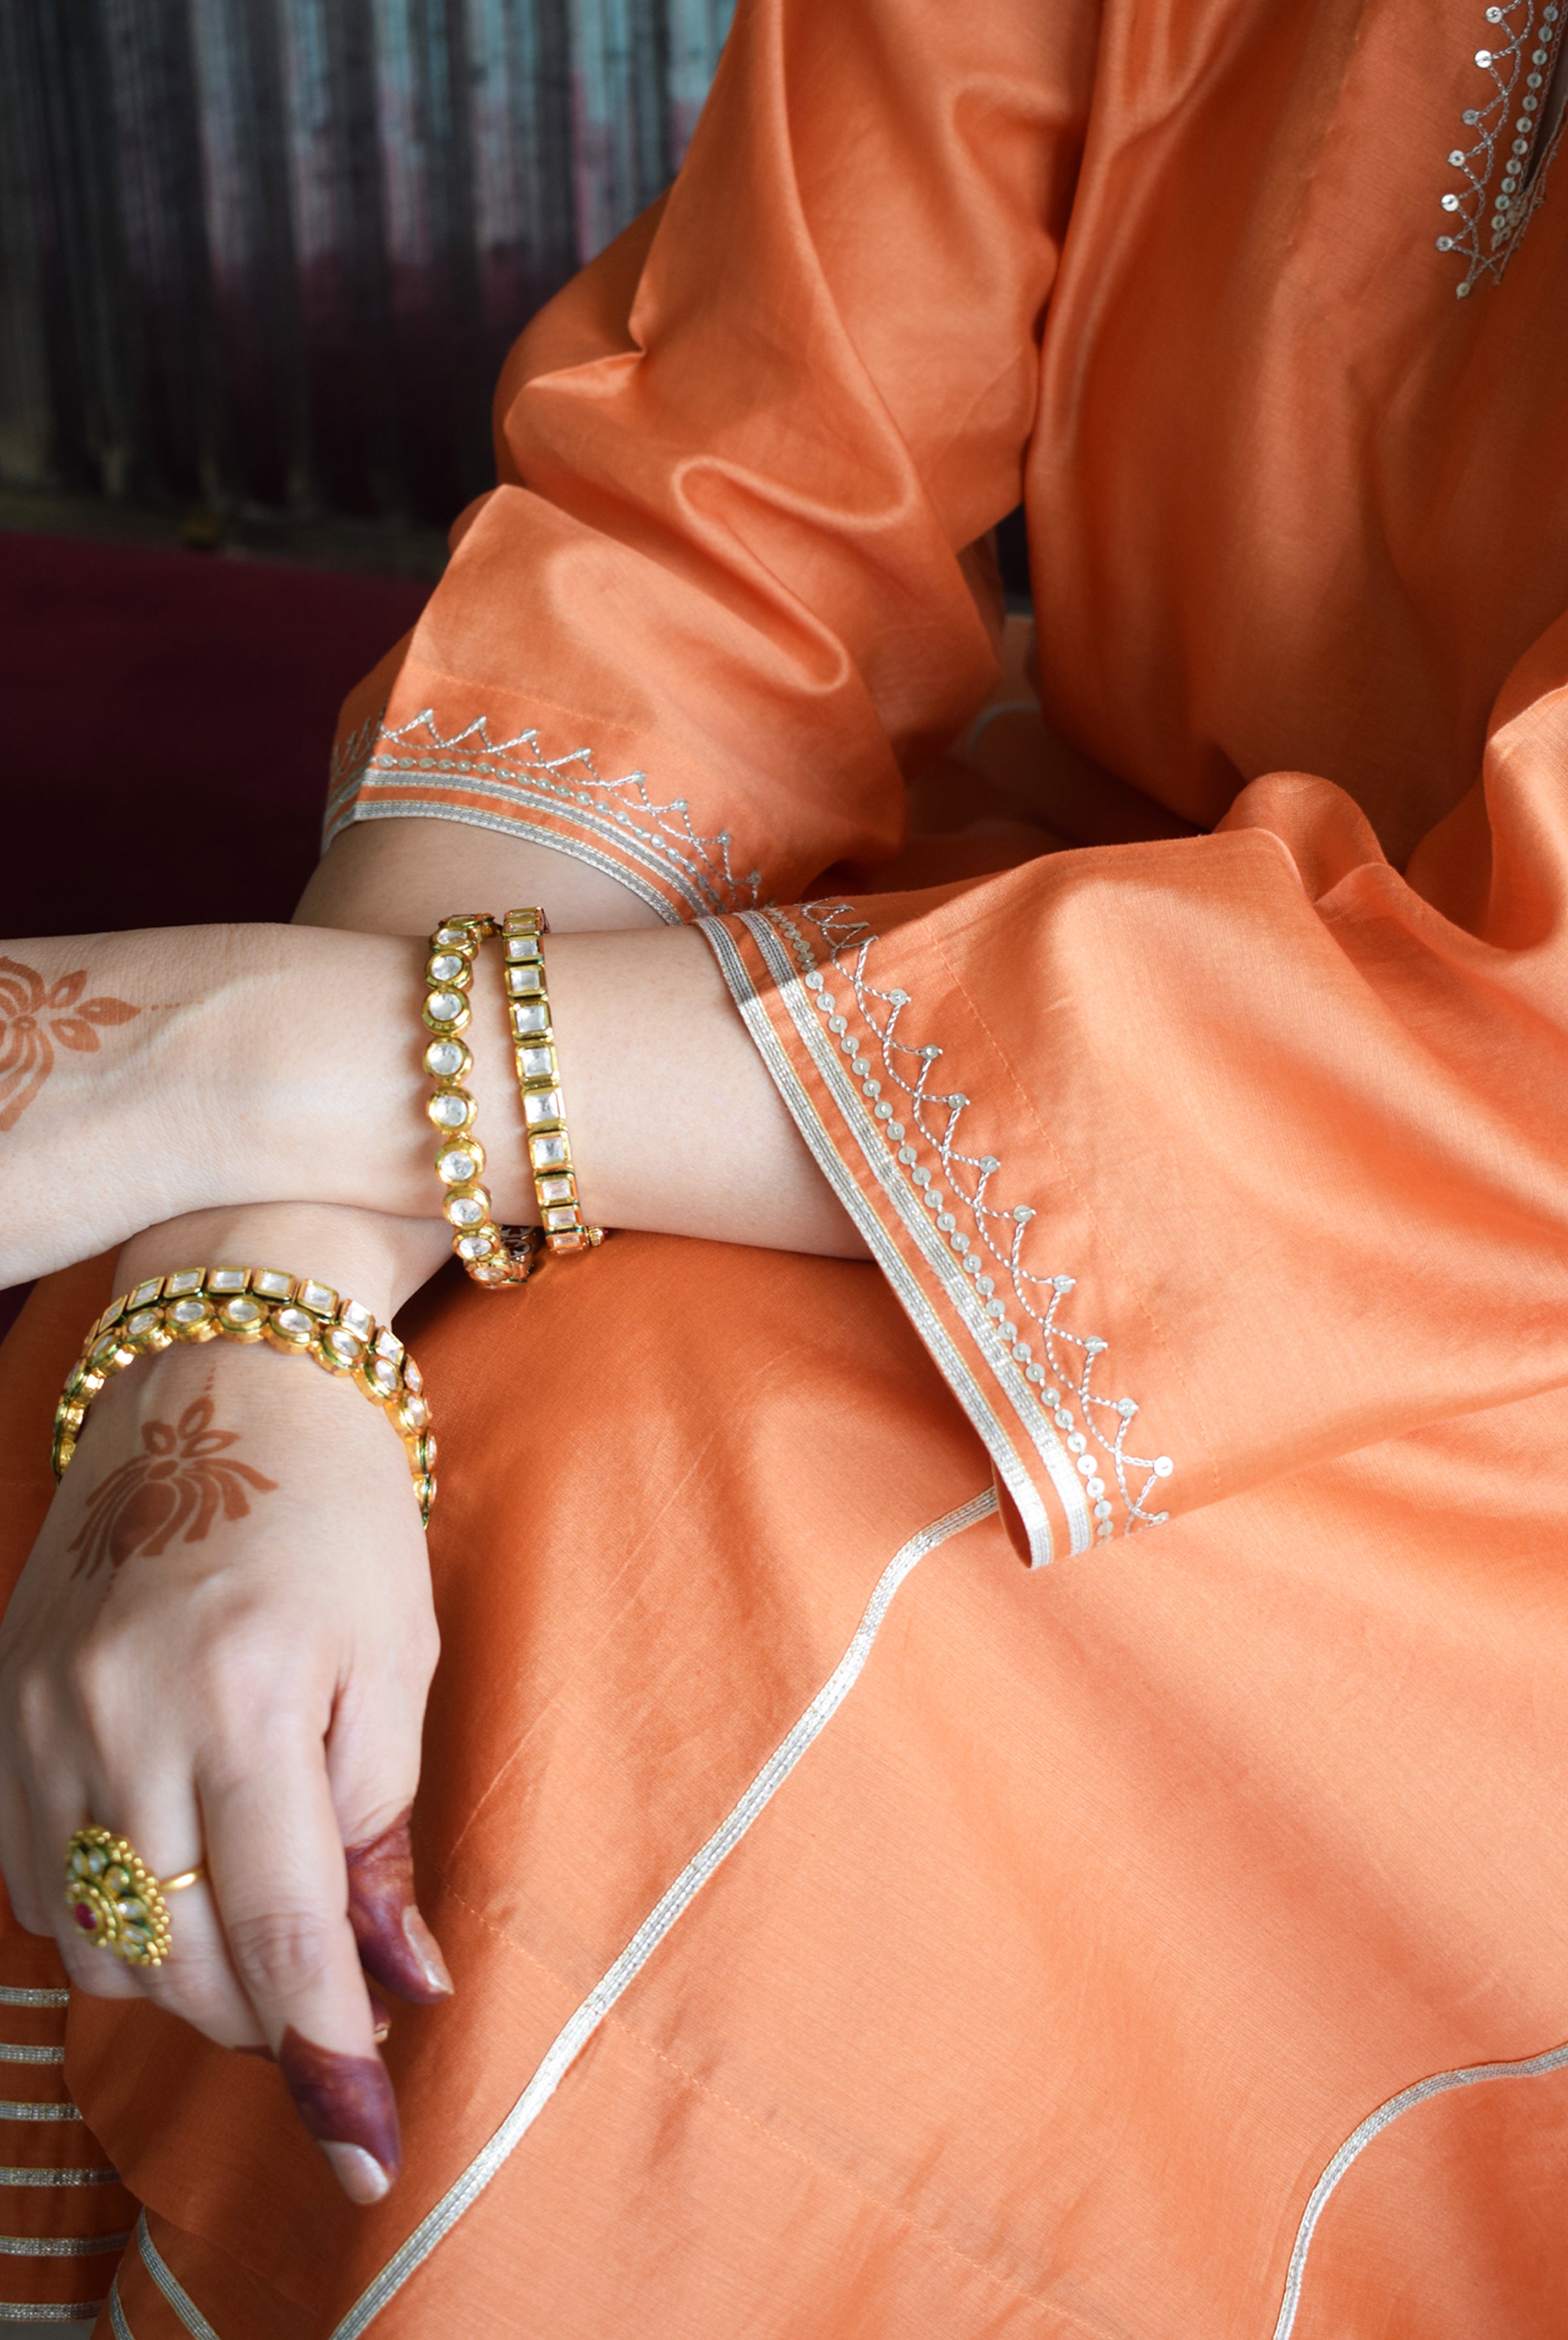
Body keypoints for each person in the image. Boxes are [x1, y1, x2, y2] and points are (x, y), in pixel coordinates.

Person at [3, 0, 1568, 2330]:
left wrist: (252, 1057)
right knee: (249, 1424)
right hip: (1072, 977)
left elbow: (1510, 1065)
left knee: (646, 1585)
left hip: (1480, 1282)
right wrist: (257, 1285)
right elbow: (722, 526)